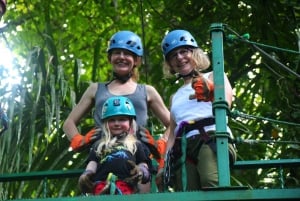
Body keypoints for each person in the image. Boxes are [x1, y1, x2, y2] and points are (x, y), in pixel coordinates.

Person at [63, 30, 170, 192]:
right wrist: (79, 139)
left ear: (136, 60)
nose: (121, 57)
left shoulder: (147, 91)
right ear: (110, 58)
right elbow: (69, 123)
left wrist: (161, 142)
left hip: (137, 156)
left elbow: (172, 124)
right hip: (103, 156)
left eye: (127, 54)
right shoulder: (95, 89)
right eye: (116, 53)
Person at [160, 29, 236, 191]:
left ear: (194, 53)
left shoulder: (213, 75)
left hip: (212, 137)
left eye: (184, 51)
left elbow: (226, 103)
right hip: (185, 146)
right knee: (186, 191)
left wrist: (211, 90)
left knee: (211, 183)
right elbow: (173, 133)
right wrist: (163, 163)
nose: (180, 57)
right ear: (170, 64)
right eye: (174, 55)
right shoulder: (176, 96)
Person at [78, 96, 152, 195]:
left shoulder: (136, 144)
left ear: (130, 122)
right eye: (112, 120)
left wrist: (143, 171)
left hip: (126, 185)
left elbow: (142, 163)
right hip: (101, 185)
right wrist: (86, 174)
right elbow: (93, 163)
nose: (117, 123)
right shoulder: (99, 144)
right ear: (105, 123)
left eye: (122, 119)